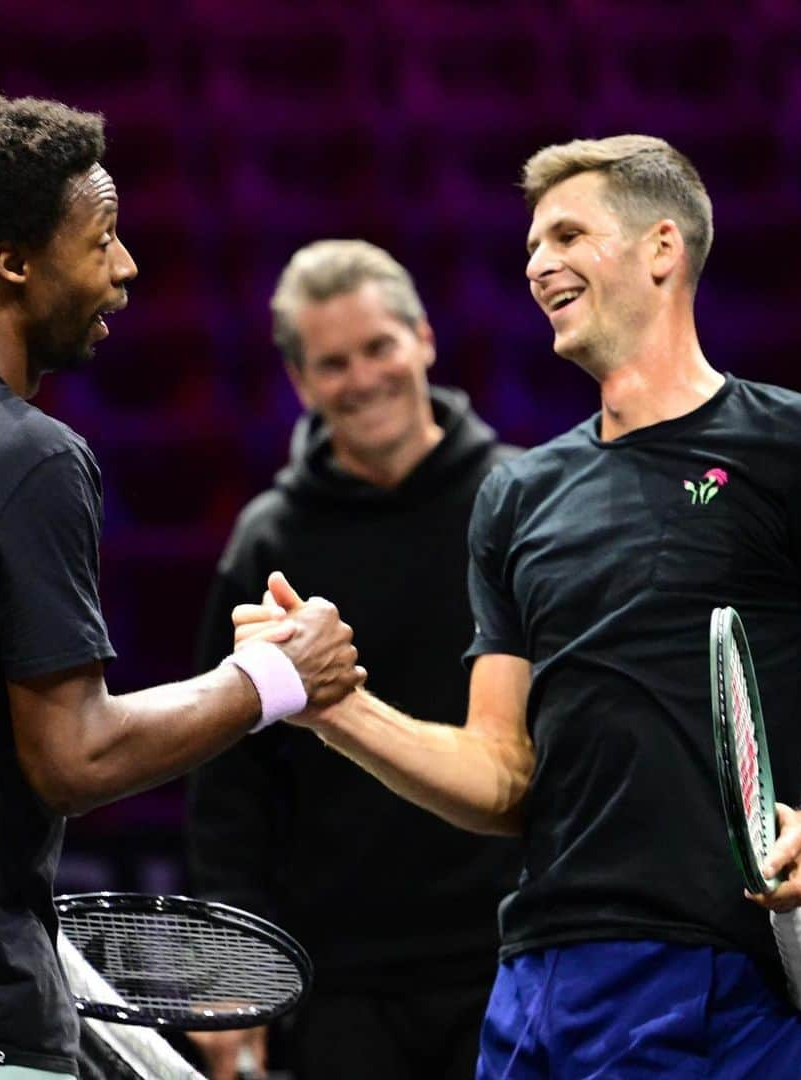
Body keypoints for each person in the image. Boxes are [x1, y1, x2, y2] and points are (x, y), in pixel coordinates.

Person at [233, 136, 801, 1078]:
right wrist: (331, 705)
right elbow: (503, 774)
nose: (538, 265)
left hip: (711, 962)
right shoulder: (519, 495)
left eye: (568, 236)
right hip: (533, 970)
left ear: (664, 247)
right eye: (532, 246)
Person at [0, 94, 363, 1080]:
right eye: (100, 240)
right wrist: (273, 679)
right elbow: (74, 757)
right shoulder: (35, 459)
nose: (126, 268)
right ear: (15, 263)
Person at [185, 240, 522, 1080]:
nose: (363, 377)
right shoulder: (268, 540)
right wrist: (232, 968)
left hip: (515, 953)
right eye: (333, 362)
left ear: (425, 339)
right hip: (337, 982)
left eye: (379, 347)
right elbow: (229, 789)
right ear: (301, 383)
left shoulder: (523, 502)